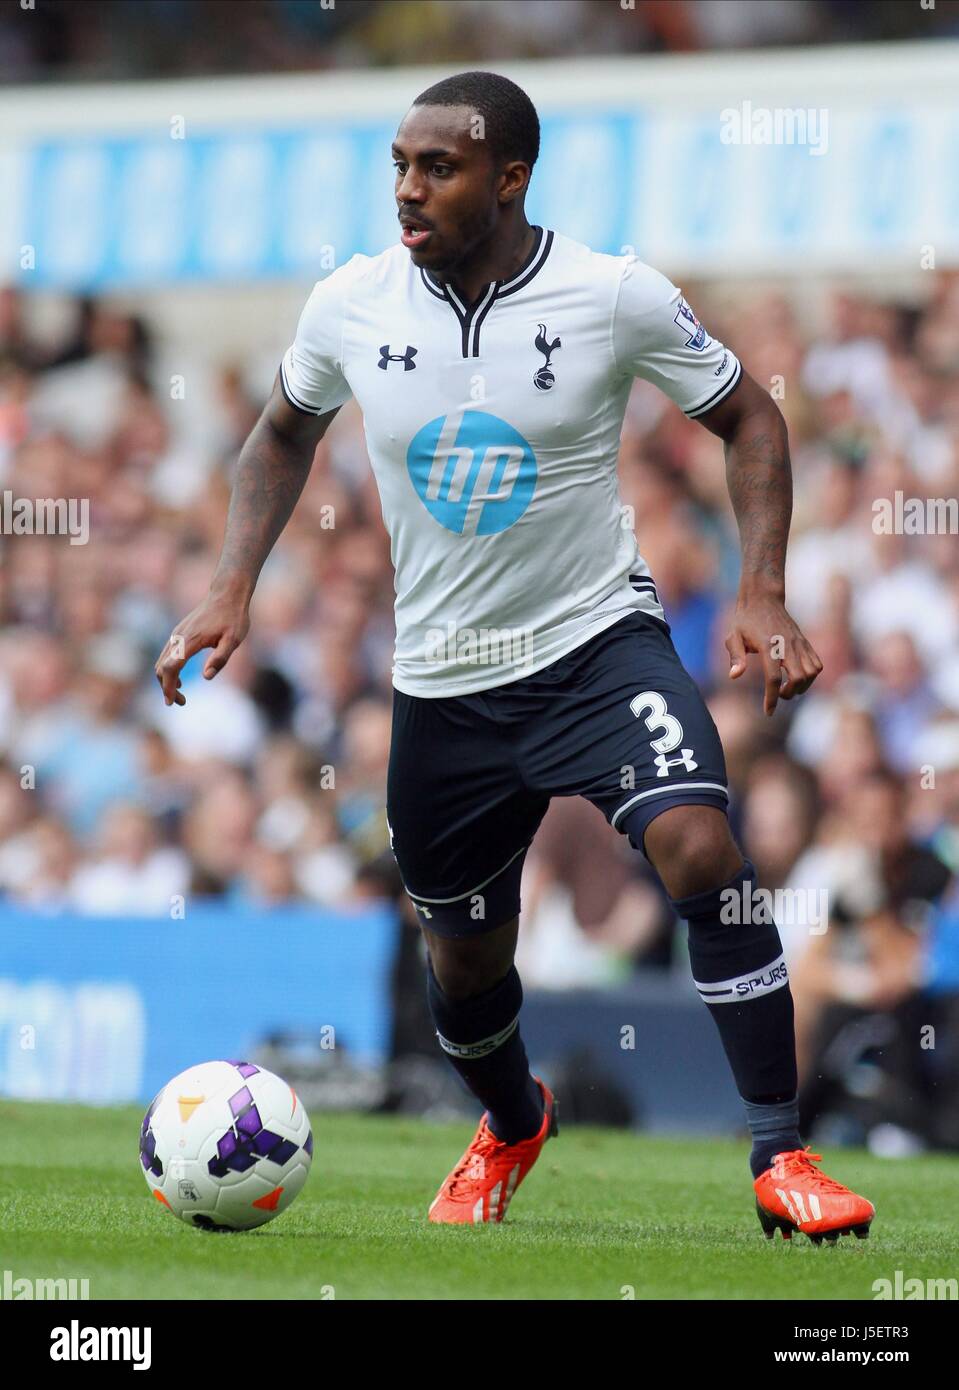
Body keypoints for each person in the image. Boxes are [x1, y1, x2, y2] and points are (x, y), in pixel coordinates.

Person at [156, 71, 873, 1242]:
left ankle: (778, 1153)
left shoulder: (610, 294)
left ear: (508, 178)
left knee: (699, 841)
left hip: (597, 648)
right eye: (397, 165)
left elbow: (752, 417)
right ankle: (510, 1118)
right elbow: (278, 434)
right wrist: (231, 583)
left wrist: (758, 590)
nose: (407, 190)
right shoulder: (351, 304)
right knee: (462, 964)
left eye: (435, 168)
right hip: (444, 684)